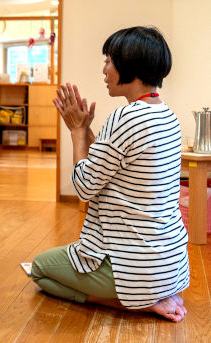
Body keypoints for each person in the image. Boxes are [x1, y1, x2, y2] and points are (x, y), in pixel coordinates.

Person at [31, 26, 189, 322]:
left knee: (40, 269)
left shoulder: (125, 117)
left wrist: (77, 131)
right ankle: (152, 294)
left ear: (130, 65)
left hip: (135, 265)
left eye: (109, 61)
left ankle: (132, 302)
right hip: (170, 265)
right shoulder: (165, 115)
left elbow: (84, 188)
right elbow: (111, 162)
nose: (104, 70)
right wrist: (88, 129)